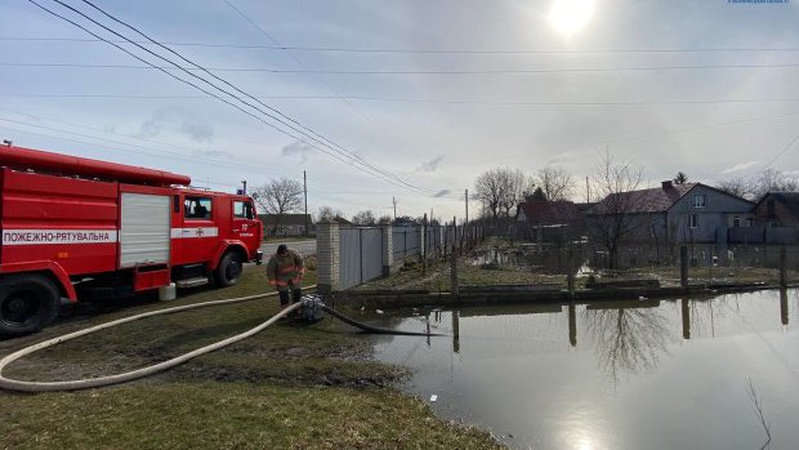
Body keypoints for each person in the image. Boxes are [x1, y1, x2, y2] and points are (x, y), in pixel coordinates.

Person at [265, 244, 305, 311]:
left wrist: (301, 270)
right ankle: (284, 311)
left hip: (294, 276)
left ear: (287, 251)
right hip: (281, 278)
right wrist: (273, 282)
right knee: (283, 295)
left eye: (284, 253)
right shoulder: (274, 258)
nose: (283, 255)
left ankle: (297, 308)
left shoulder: (293, 253)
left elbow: (300, 261)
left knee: (297, 292)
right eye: (281, 254)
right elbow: (270, 271)